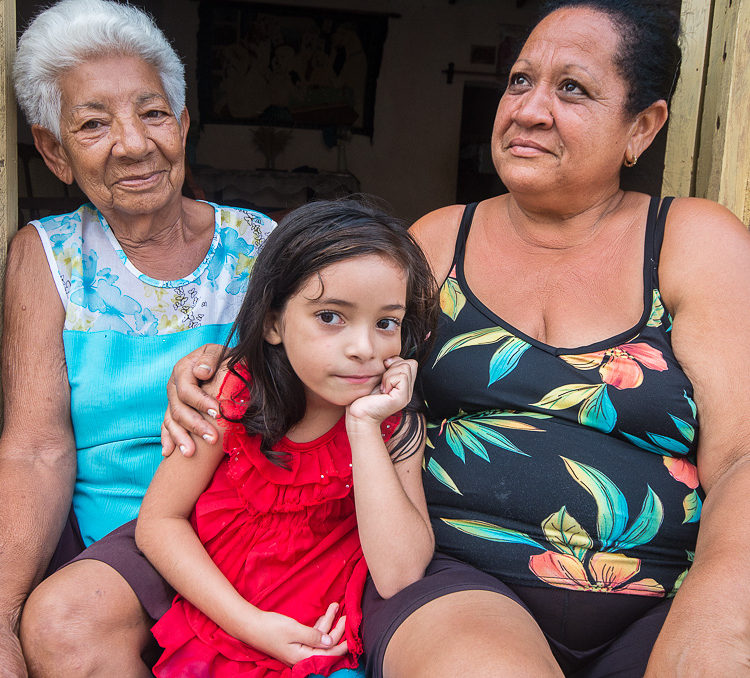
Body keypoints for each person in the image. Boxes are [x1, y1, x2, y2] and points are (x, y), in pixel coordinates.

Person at [163, 1, 750, 676]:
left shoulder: (693, 242)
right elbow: (330, 364)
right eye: (521, 81)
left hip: (662, 596)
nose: (528, 109)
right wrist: (218, 364)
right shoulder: (437, 242)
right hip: (457, 583)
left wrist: (716, 622)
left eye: (573, 88)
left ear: (641, 127)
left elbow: (740, 458)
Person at [1, 1, 276, 675]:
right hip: (104, 557)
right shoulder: (46, 256)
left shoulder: (263, 246)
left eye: (152, 113)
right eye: (93, 123)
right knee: (62, 627)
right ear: (53, 152)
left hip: (244, 529)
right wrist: (1, 619)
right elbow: (36, 448)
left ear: (182, 126)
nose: (132, 143)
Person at [136, 199, 437, 677]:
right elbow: (158, 523)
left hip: (324, 644)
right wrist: (252, 626)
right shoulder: (235, 394)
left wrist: (363, 426)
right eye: (331, 317)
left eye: (386, 323)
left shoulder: (392, 423)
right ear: (274, 322)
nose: (365, 349)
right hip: (225, 626)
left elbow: (399, 574)